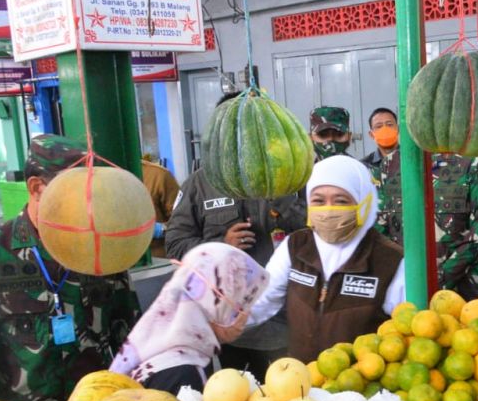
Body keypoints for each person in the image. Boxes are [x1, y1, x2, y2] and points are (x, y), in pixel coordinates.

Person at [0, 135, 141, 401]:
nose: (90, 207)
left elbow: (130, 337)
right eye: (77, 194)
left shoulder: (102, 247)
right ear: (38, 188)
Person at [165, 94, 307, 376]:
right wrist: (221, 244)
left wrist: (280, 196)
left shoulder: (290, 176)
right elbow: (176, 244)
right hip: (229, 325)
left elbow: (313, 231)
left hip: (285, 323)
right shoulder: (199, 185)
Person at [247, 156, 406, 362]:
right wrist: (216, 319)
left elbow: (409, 329)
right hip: (299, 384)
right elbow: (262, 301)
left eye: (341, 200)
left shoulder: (390, 260)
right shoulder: (295, 246)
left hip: (362, 388)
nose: (328, 210)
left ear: (363, 202)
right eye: (319, 201)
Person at [109, 243, 267, 393]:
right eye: (241, 305)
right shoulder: (183, 376)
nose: (246, 315)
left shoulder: (160, 343)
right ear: (213, 307)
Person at [376, 148, 478, 301]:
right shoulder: (391, 163)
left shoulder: (473, 159)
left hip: (463, 294)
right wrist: (403, 277)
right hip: (404, 291)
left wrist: (439, 278)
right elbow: (380, 227)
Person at [140, 155, 180, 258]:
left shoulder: (157, 176)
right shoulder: (94, 177)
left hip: (156, 260)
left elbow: (184, 220)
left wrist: (162, 228)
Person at [361, 107, 399, 183]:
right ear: (371, 135)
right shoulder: (364, 166)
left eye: (389, 124)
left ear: (398, 129)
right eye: (378, 126)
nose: (385, 130)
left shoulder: (412, 160)